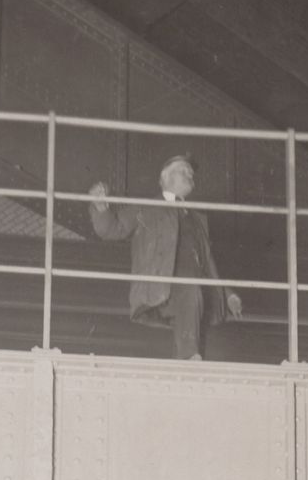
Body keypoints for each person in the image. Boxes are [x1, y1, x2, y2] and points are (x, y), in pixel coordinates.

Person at [88, 152, 242, 360]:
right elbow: (112, 228)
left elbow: (208, 261)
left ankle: (186, 363)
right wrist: (100, 207)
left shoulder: (198, 219)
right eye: (184, 171)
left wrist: (228, 294)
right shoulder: (146, 208)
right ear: (165, 178)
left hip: (193, 291)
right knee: (190, 291)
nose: (190, 174)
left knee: (192, 299)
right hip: (161, 289)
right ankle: (189, 357)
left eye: (191, 172)